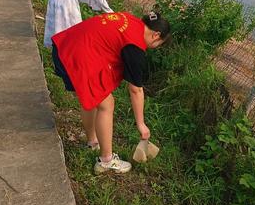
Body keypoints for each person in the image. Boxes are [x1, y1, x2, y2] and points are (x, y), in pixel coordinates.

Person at [51, 11, 170, 174]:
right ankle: (106, 161)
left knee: (93, 98)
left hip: (64, 45)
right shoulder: (135, 47)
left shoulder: (131, 20)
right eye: (159, 44)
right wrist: (141, 124)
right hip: (74, 55)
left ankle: (93, 143)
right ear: (156, 35)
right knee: (107, 104)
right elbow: (136, 90)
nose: (155, 47)